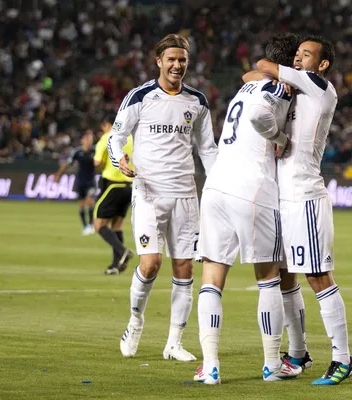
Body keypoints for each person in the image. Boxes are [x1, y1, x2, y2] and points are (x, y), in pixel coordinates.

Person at [193, 33, 303, 386]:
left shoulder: (247, 86)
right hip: (253, 188)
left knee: (212, 277)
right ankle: (272, 363)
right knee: (268, 277)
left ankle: (209, 366)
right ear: (289, 65)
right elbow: (260, 117)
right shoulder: (281, 88)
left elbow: (250, 78)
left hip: (215, 187)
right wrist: (282, 140)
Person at [248, 36, 352, 385]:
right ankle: (298, 354)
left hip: (306, 197)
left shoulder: (320, 88)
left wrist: (275, 74)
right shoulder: (295, 89)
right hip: (283, 197)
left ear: (322, 65)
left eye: (305, 54)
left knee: (317, 277)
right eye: (296, 54)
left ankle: (343, 359)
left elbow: (261, 67)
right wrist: (275, 81)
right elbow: (248, 77)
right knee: (284, 276)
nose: (298, 59)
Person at [108, 34, 218, 362]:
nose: (177, 65)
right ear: (159, 61)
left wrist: (218, 184)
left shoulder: (197, 101)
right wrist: (121, 160)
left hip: (185, 194)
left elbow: (207, 149)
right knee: (151, 263)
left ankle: (174, 343)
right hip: (149, 193)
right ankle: (135, 321)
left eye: (182, 59)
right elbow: (117, 135)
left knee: (184, 268)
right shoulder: (140, 96)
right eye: (171, 59)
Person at [93, 117, 135, 275]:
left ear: (108, 125)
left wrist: (104, 163)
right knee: (116, 225)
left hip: (113, 184)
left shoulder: (108, 136)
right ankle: (115, 266)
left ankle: (122, 251)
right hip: (129, 186)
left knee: (98, 224)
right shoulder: (132, 137)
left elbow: (97, 162)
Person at [54, 130, 96, 236]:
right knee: (81, 204)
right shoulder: (77, 152)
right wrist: (58, 175)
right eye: (86, 139)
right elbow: (67, 164)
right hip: (80, 180)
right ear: (82, 140)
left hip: (91, 180)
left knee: (90, 200)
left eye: (90, 140)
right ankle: (85, 226)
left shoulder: (95, 151)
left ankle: (91, 225)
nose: (88, 142)